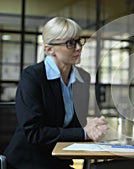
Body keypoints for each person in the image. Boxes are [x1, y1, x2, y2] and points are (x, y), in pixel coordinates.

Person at [4, 17, 108, 169]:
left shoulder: (83, 78)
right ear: (49, 49)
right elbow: (34, 133)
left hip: (58, 161)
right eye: (70, 43)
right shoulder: (33, 77)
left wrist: (96, 130)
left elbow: (76, 126)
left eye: (80, 41)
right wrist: (84, 133)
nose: (79, 47)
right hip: (27, 162)